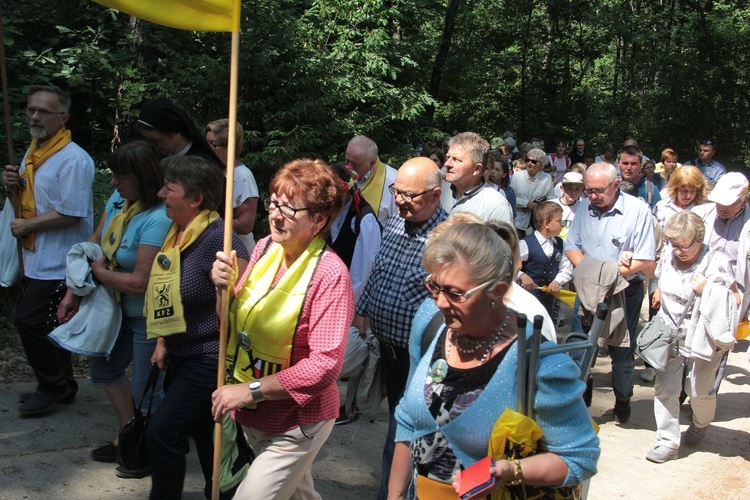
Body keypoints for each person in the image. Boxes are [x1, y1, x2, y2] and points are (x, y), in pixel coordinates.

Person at [388, 220, 599, 498]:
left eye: (455, 293)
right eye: (434, 287)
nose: (439, 301)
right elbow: (407, 417)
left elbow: (579, 457)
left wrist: (510, 470)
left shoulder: (540, 365)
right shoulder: (432, 321)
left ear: (497, 291)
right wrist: (395, 495)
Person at [209, 158, 353, 499]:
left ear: (318, 219)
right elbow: (229, 324)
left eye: (289, 209)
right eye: (274, 202)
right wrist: (221, 290)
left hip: (298, 421)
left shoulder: (330, 275)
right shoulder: (263, 249)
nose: (275, 214)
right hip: (255, 415)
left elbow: (325, 366)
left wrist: (250, 390)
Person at [56, 141, 171, 475]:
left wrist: (99, 273)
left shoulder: (158, 217)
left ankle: (148, 451)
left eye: (121, 175)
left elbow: (139, 282)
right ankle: (128, 435)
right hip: (113, 308)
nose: (113, 182)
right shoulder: (119, 201)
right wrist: (74, 289)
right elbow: (96, 244)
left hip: (147, 315)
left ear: (143, 177)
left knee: (146, 390)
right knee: (103, 370)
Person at [145, 156, 250, 499]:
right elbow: (171, 291)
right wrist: (163, 340)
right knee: (207, 436)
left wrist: (227, 287)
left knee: (163, 432)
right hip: (180, 353)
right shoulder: (178, 233)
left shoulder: (222, 239)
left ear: (195, 199)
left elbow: (243, 308)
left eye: (169, 188)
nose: (161, 193)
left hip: (209, 358)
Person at [354, 157, 447, 500]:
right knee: (400, 432)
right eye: (397, 192)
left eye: (411, 195)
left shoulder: (447, 239)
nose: (399, 200)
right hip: (389, 354)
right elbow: (379, 271)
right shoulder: (395, 223)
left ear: (436, 195)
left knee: (403, 438)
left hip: (422, 362)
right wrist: (362, 311)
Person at [2, 85, 94, 416]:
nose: (36, 116)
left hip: (61, 258)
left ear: (63, 117)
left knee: (27, 319)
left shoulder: (73, 159)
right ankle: (64, 386)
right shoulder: (34, 152)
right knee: (53, 323)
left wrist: (27, 226)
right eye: (31, 110)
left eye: (44, 111)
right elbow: (28, 195)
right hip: (36, 254)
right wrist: (11, 183)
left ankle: (51, 385)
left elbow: (71, 212)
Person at [565, 162, 656, 423]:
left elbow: (645, 261)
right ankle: (581, 401)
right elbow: (572, 247)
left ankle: (623, 399)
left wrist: (606, 274)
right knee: (579, 347)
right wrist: (595, 274)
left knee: (621, 352)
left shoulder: (638, 211)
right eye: (588, 191)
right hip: (588, 288)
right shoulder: (583, 208)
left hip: (625, 291)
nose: (592, 196)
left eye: (598, 191)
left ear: (616, 185)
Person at [645, 212, 736, 463]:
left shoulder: (717, 261)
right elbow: (660, 275)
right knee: (665, 389)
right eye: (674, 245)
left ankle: (700, 422)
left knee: (699, 391)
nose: (679, 251)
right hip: (669, 333)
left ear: (699, 240)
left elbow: (733, 300)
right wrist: (659, 291)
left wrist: (708, 290)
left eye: (684, 245)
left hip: (701, 336)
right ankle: (667, 442)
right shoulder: (669, 254)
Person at [206, 119, 259, 253]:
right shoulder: (209, 171)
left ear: (230, 147)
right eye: (207, 143)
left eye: (214, 144)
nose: (208, 148)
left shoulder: (242, 176)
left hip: (237, 253)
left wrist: (206, 222)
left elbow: (245, 224)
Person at [444, 132, 513, 224]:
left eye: (456, 160)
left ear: (476, 169)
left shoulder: (496, 205)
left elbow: (505, 238)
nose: (447, 164)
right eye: (448, 157)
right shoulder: (438, 192)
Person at [518, 202, 572, 320]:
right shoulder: (526, 244)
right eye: (559, 221)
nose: (562, 224)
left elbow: (567, 267)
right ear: (546, 223)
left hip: (549, 300)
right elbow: (509, 264)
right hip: (527, 299)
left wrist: (557, 281)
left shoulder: (560, 244)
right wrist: (522, 275)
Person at [136, 97, 222, 170]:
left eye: (155, 141)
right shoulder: (155, 161)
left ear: (172, 133)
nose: (154, 146)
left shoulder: (203, 166)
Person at [691, 172, 750, 275]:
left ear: (744, 201)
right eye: (719, 201)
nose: (722, 208)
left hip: (733, 287)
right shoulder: (698, 215)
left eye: (728, 203)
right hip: (698, 280)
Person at [345, 135, 398, 227]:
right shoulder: (343, 174)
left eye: (355, 164)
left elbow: (399, 224)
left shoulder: (393, 182)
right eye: (347, 161)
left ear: (372, 163)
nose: (349, 168)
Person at [510, 147, 555, 238]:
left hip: (537, 223)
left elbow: (551, 200)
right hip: (518, 222)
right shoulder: (518, 176)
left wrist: (539, 206)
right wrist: (526, 203)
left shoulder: (547, 178)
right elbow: (511, 199)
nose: (530, 163)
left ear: (541, 165)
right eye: (528, 160)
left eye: (534, 161)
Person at [652, 165, 707, 231]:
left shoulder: (703, 209)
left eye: (693, 191)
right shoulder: (661, 206)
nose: (688, 195)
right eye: (683, 190)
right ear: (675, 188)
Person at [552, 171, 584, 240]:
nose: (573, 193)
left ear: (582, 189)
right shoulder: (550, 205)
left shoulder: (583, 208)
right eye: (569, 188)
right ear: (561, 188)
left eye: (577, 189)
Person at [487, 150, 516, 220]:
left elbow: (512, 215)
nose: (493, 172)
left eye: (497, 170)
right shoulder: (484, 187)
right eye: (492, 168)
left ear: (504, 174)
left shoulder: (509, 192)